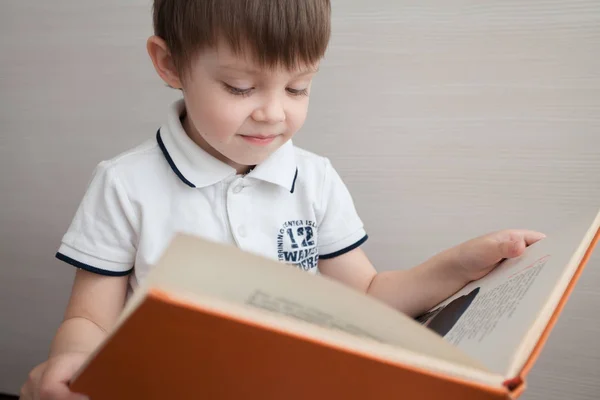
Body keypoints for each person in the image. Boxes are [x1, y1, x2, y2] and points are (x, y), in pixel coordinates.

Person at [19, 1, 545, 399]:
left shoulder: (313, 179)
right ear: (170, 63)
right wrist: (74, 362)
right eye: (242, 87)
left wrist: (460, 265)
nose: (274, 113)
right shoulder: (125, 184)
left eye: (298, 88)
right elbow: (89, 320)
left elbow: (366, 294)